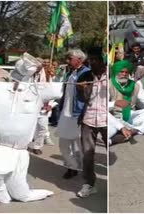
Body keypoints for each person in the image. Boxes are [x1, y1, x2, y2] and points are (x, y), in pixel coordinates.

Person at [0, 52, 63, 204]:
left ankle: (42, 193)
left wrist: (49, 74)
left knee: (21, 194)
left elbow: (56, 90)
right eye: (21, 71)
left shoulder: (36, 90)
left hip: (21, 151)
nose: (23, 76)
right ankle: (3, 199)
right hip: (2, 147)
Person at [76, 48, 107, 198]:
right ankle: (89, 184)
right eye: (90, 61)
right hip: (88, 119)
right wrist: (82, 90)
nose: (92, 63)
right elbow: (82, 99)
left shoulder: (111, 75)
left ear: (102, 61)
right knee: (88, 155)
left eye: (95, 60)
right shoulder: (85, 76)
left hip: (108, 120)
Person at [57, 49, 90, 179]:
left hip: (78, 114)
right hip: (65, 114)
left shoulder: (87, 73)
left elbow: (91, 94)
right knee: (63, 144)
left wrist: (85, 87)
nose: (67, 61)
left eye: (70, 59)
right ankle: (71, 165)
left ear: (79, 60)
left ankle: (79, 168)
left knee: (77, 146)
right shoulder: (69, 73)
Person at [28, 58, 55, 155]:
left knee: (42, 128)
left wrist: (50, 105)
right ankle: (24, 144)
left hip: (43, 106)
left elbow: (51, 91)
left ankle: (37, 146)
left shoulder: (47, 75)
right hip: (29, 105)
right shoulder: (28, 74)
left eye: (37, 65)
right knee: (28, 127)